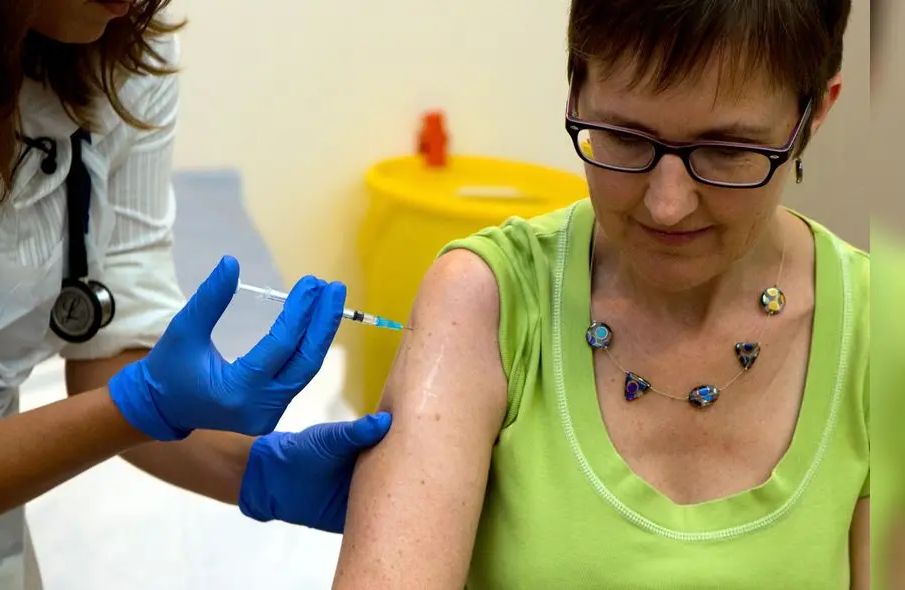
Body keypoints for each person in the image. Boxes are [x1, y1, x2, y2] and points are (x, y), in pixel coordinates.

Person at [333, 0, 869, 588]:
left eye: (726, 151)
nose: (667, 204)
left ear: (815, 113)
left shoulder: (880, 333)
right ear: (574, 94)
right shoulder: (485, 301)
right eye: (624, 138)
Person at [0, 1, 391, 588]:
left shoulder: (118, 56)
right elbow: (126, 400)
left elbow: (111, 357)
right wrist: (138, 406)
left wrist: (258, 470)